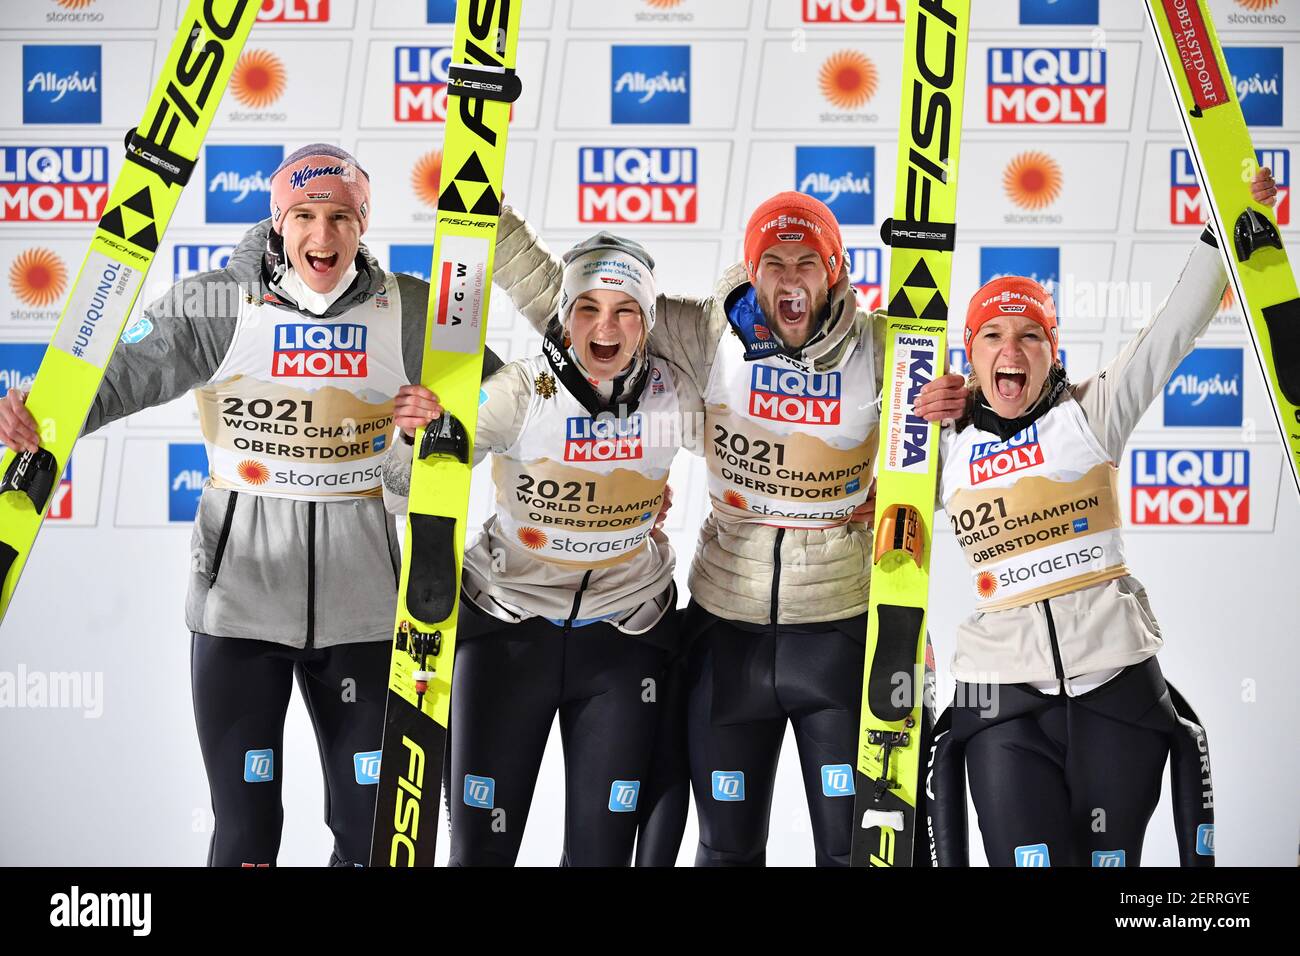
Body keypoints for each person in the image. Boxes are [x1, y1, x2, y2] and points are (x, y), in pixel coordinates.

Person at [0, 143, 502, 867]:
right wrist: (42, 422)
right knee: (246, 837)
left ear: (364, 223)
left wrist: (437, 428)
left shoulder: (411, 309)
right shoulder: (219, 303)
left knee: (373, 839)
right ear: (278, 221)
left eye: (339, 217)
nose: (321, 237)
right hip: (238, 611)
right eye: (304, 216)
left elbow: (505, 407)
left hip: (366, 615)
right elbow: (117, 379)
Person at [490, 192, 967, 866]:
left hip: (841, 627)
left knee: (855, 852)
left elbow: (964, 468)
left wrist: (950, 419)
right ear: (752, 268)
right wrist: (489, 213)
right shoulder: (706, 334)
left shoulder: (887, 346)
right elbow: (578, 315)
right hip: (725, 629)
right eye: (774, 262)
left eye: (810, 262)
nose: (791, 278)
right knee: (724, 849)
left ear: (836, 270)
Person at [921, 166, 1279, 868]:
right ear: (971, 357)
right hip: (1004, 706)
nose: (1011, 350)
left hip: (1117, 693)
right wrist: (909, 409)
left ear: (1054, 350)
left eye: (1029, 335)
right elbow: (853, 479)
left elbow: (1170, 335)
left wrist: (1224, 232)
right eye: (992, 336)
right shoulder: (942, 445)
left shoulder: (1089, 415)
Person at [382, 233, 701, 866]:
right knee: (481, 853)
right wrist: (408, 438)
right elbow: (400, 491)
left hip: (621, 638)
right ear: (563, 317)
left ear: (647, 322)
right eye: (588, 308)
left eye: (625, 311)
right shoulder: (518, 392)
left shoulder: (675, 395)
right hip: (508, 637)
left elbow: (759, 462)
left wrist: (863, 491)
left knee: (601, 855)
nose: (605, 327)